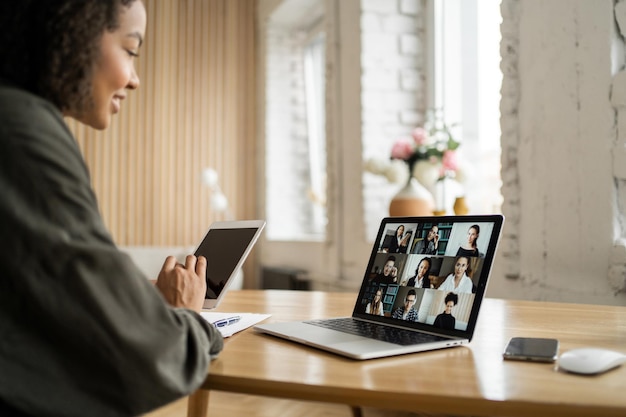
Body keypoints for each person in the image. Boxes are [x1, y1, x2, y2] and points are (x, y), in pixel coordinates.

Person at [0, 2, 223, 416]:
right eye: (131, 50)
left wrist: (137, 304)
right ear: (76, 33)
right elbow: (142, 357)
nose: (135, 79)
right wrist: (191, 319)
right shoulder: (23, 131)